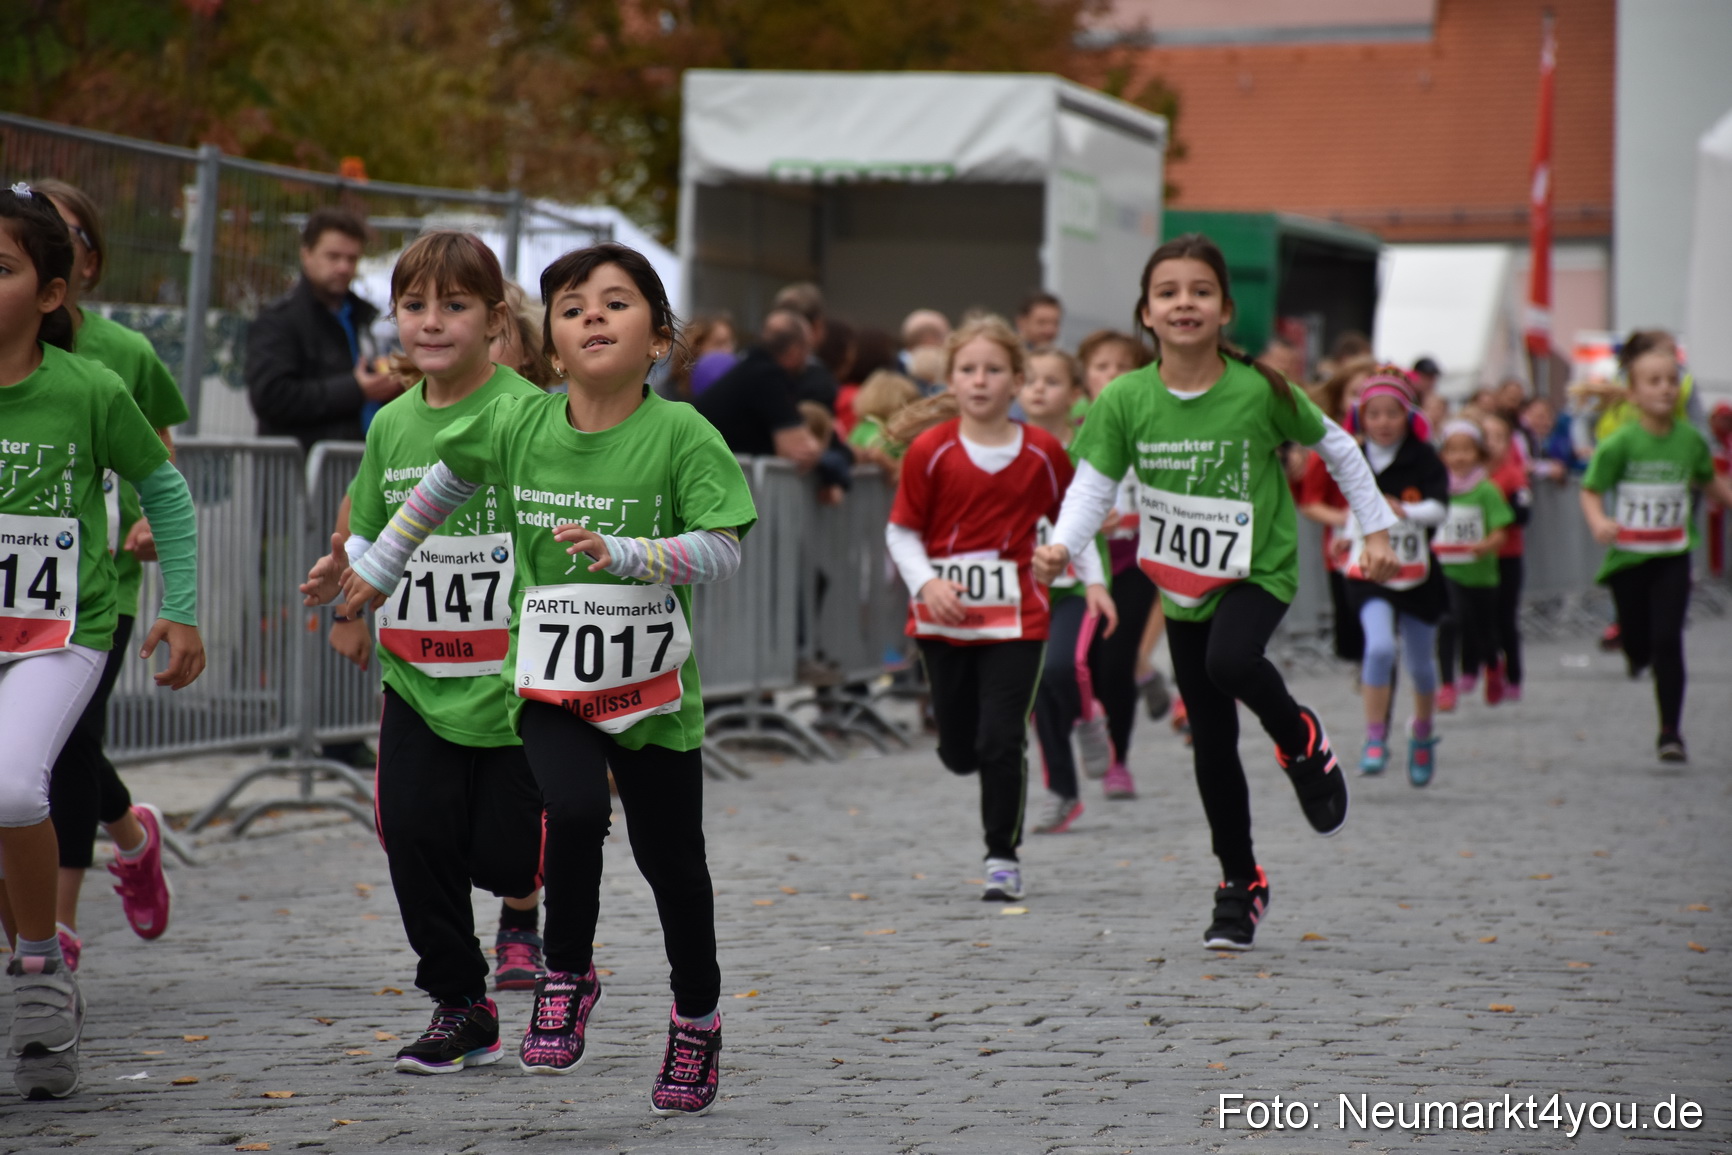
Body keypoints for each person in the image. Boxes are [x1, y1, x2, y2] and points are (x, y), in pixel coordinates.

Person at [336, 242, 754, 1114]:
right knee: (571, 808)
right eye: (571, 307)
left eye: (614, 302)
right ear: (552, 348)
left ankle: (696, 1019)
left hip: (651, 698)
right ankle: (563, 973)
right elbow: (439, 485)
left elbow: (723, 546)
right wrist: (376, 569)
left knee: (674, 866)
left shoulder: (682, 432)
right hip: (551, 682)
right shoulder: (519, 424)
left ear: (659, 338)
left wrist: (633, 554)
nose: (592, 316)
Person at [1035, 234, 1398, 951]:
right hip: (1183, 581)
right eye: (1168, 292)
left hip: (1259, 568)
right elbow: (1094, 484)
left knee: (1230, 663)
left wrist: (1375, 530)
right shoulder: (1125, 398)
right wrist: (1063, 546)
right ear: (1146, 311)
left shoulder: (1259, 387)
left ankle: (1301, 740)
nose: (1184, 303)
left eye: (1200, 290)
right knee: (1211, 739)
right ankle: (1240, 884)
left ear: (1226, 308)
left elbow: (1339, 445)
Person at [299, 232, 547, 1075]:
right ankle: (460, 1003)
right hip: (417, 674)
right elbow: (368, 519)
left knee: (507, 857)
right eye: (414, 305)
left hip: (515, 685)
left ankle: (532, 903)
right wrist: (346, 565)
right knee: (412, 831)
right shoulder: (393, 423)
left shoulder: (529, 413)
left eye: (454, 305)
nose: (431, 322)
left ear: (494, 317)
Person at [0, 182, 205, 1100]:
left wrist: (185, 605)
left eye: (0, 268)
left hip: (62, 630)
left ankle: (41, 966)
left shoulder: (90, 384)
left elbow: (163, 488)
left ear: (50, 293)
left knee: (10, 782)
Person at [885, 317, 1106, 902]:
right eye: (968, 370)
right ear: (951, 380)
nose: (980, 381)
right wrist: (928, 583)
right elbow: (901, 532)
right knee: (962, 750)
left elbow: (1074, 520)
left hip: (1017, 618)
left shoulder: (1043, 452)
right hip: (944, 620)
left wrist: (1092, 581)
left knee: (1002, 738)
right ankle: (962, 754)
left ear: (1016, 380)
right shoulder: (930, 452)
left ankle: (1002, 857)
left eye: (993, 370)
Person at [31, 180, 184, 967]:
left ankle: (56, 929)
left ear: (84, 263)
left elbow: (157, 454)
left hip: (98, 583)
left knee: (71, 741)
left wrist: (151, 520)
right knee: (44, 747)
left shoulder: (121, 353)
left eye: (68, 235)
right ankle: (131, 832)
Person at [1578, 332, 1732, 763]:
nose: (1664, 388)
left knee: (1668, 639)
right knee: (1639, 641)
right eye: (1654, 381)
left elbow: (1709, 481)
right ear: (1633, 392)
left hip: (1672, 554)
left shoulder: (1690, 440)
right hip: (1628, 558)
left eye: (1671, 380)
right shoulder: (1620, 443)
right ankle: (1633, 647)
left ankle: (1670, 732)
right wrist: (1598, 521)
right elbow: (1591, 490)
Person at [1020, 349, 1118, 833]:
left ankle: (1088, 715)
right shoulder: (1009, 446)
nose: (1038, 389)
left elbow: (1103, 500)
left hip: (1077, 582)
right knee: (1036, 694)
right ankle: (1062, 793)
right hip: (1024, 587)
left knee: (1063, 667)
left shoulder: (1086, 447)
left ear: (1075, 394)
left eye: (1052, 381)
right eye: (1031, 380)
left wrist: (1097, 579)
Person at [1344, 374, 1450, 783]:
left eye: (1392, 414)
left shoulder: (1423, 457)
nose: (1384, 422)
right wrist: (1341, 536)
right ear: (1361, 417)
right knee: (1379, 649)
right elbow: (1345, 509)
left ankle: (1422, 734)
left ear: (1408, 417)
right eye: (1375, 414)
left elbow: (1441, 509)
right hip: (1370, 572)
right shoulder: (1352, 456)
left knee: (1422, 666)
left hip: (1417, 575)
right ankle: (1374, 737)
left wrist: (1406, 512)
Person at [1073, 329, 1161, 795]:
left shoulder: (1152, 426)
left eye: (1121, 366)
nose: (1110, 375)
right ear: (1085, 377)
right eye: (1101, 366)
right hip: (1083, 566)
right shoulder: (1076, 429)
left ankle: (1117, 761)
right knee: (1079, 662)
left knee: (1116, 661)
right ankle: (1092, 723)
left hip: (1134, 560)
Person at [245, 206, 401, 451]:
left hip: (358, 466)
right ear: (306, 254)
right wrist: (355, 389)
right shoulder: (278, 321)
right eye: (333, 256)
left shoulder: (362, 316)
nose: (343, 267)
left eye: (352, 259)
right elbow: (271, 397)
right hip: (299, 475)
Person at [1298, 356, 1376, 663]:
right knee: (1357, 643)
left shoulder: (1405, 447)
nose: (1364, 401)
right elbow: (1310, 503)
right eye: (1356, 393)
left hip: (1395, 549)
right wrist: (1347, 519)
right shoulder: (1330, 448)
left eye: (1370, 392)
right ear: (1341, 399)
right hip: (1346, 553)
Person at [693, 309, 822, 470]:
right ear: (795, 350)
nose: (807, 361)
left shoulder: (751, 369)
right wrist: (820, 453)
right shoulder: (767, 376)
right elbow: (799, 450)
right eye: (807, 350)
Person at [1481, 411, 1532, 703]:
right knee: (1478, 620)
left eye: (1500, 438)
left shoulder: (1513, 474)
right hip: (1476, 557)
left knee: (1506, 617)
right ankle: (1489, 668)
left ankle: (1514, 676)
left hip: (1507, 554)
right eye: (1487, 438)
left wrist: (1494, 514)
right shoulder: (1467, 476)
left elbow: (1524, 514)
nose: (1493, 444)